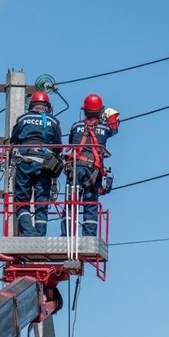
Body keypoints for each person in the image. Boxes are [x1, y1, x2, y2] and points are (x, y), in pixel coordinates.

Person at [61, 93, 119, 236]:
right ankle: (88, 236)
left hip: (75, 168)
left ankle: (66, 236)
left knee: (70, 203)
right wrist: (110, 115)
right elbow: (115, 127)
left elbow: (71, 142)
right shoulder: (104, 129)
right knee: (91, 204)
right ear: (100, 111)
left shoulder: (76, 126)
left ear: (84, 111)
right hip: (93, 170)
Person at [10, 91, 62, 236]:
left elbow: (14, 140)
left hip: (24, 162)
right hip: (44, 164)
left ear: (31, 105)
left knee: (21, 200)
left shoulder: (23, 119)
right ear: (47, 106)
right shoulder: (52, 121)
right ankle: (39, 235)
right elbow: (58, 146)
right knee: (42, 201)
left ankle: (28, 233)